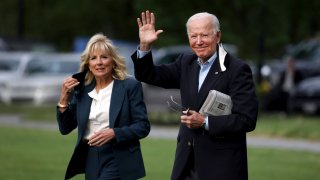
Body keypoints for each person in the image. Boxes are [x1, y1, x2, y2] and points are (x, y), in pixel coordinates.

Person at [131, 11, 258, 180]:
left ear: (217, 36)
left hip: (221, 167)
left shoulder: (237, 69)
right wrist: (145, 46)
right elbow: (148, 75)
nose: (198, 41)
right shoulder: (186, 63)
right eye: (193, 36)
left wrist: (205, 122)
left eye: (204, 35)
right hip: (186, 165)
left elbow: (246, 119)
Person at [56, 33, 150, 180]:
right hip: (91, 158)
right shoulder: (83, 89)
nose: (99, 62)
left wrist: (114, 133)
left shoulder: (130, 86)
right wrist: (63, 98)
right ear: (88, 64)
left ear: (113, 61)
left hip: (119, 157)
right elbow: (65, 128)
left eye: (104, 57)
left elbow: (143, 126)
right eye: (93, 58)